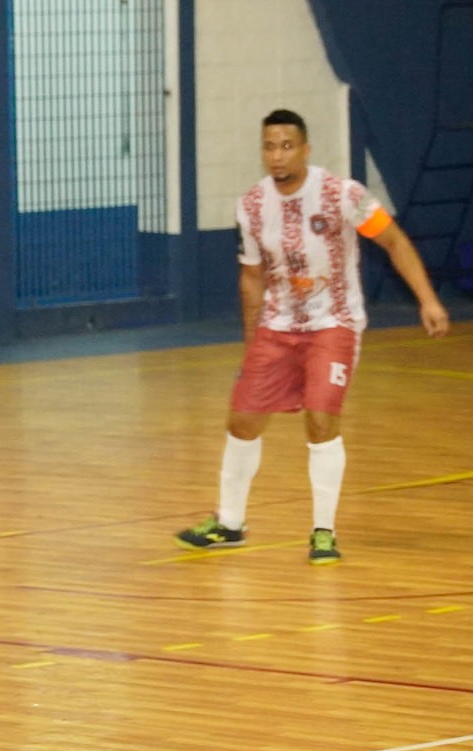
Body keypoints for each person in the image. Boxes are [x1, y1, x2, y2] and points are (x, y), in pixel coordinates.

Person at [175, 109, 451, 563]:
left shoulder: (341, 194)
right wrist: (253, 344)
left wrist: (428, 300)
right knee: (242, 420)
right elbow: (251, 278)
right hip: (277, 327)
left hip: (333, 323)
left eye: (286, 146)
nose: (277, 155)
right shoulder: (250, 205)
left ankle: (323, 531)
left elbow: (395, 242)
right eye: (268, 146)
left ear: (305, 149)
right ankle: (230, 523)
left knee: (321, 422)